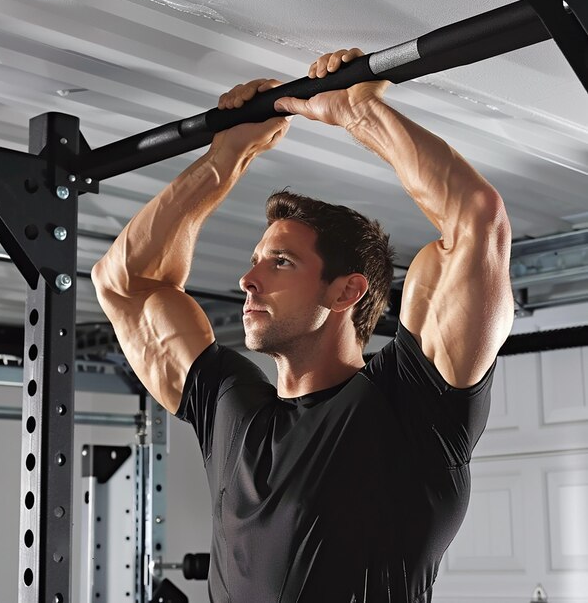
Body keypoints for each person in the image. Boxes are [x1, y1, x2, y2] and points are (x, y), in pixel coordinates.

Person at [92, 48, 515, 602]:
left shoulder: (414, 403)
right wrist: (226, 157)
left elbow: (476, 219)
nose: (247, 280)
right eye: (256, 260)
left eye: (280, 263)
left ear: (346, 290)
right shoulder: (232, 408)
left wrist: (361, 115)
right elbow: (124, 284)